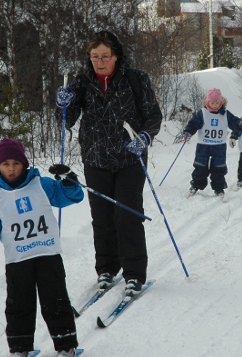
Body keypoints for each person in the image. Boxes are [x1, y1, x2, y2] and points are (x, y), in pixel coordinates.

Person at [55, 31, 162, 296]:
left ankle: (134, 273)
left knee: (128, 215)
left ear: (116, 56)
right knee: (102, 218)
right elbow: (65, 121)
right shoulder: (82, 83)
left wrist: (145, 137)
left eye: (105, 56)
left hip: (129, 158)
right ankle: (107, 269)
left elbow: (153, 116)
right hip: (95, 158)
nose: (100, 62)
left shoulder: (135, 79)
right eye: (95, 57)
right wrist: (62, 105)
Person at [0, 138, 84, 357]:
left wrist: (69, 180)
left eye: (16, 163)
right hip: (18, 260)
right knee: (18, 305)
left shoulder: (41, 184)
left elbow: (71, 196)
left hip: (47, 254)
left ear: (24, 164)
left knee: (56, 301)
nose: (11, 168)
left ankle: (65, 344)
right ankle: (20, 347)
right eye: (5, 164)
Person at [182, 88, 242, 198]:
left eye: (217, 103)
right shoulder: (202, 113)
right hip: (203, 146)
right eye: (212, 102)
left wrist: (239, 124)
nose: (215, 105)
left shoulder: (225, 114)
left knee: (219, 167)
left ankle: (219, 187)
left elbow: (234, 122)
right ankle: (196, 185)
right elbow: (193, 124)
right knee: (200, 166)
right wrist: (188, 132)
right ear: (207, 102)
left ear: (221, 102)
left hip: (219, 146)